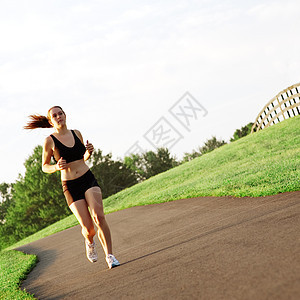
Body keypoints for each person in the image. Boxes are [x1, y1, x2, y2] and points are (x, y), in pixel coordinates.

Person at [24, 106, 120, 269]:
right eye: (54, 115)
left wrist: (89, 152)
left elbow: (83, 157)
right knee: (89, 228)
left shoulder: (77, 133)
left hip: (87, 178)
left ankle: (110, 256)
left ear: (65, 115)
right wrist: (56, 167)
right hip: (70, 186)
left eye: (60, 113)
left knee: (99, 217)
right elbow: (44, 166)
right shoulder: (49, 141)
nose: (58, 116)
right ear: (50, 121)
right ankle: (89, 241)